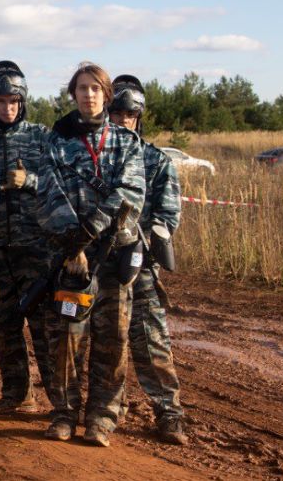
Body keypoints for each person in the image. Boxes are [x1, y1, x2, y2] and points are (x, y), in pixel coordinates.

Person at [40, 62, 145, 447]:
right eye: (82, 88)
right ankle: (64, 413)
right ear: (74, 94)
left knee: (112, 341)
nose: (88, 95)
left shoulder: (126, 142)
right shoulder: (56, 141)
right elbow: (48, 193)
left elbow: (130, 194)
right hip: (71, 259)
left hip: (114, 257)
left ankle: (102, 417)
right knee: (67, 338)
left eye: (95, 89)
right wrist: (74, 247)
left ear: (106, 93)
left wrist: (92, 231)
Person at [108, 75, 187, 445]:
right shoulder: (99, 157)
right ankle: (110, 409)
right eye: (117, 112)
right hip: (102, 263)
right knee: (107, 344)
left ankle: (169, 413)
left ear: (139, 116)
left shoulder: (156, 161)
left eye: (129, 113)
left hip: (139, 265)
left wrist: (154, 234)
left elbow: (168, 215)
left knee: (151, 343)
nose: (123, 119)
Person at [0, 61, 56, 414]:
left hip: (34, 248)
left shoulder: (42, 137)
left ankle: (60, 400)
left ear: (22, 100)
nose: (7, 108)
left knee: (44, 327)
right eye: (1, 101)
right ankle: (17, 394)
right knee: (3, 324)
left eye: (13, 101)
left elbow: (61, 187)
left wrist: (29, 182)